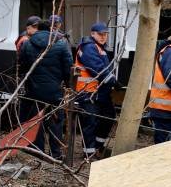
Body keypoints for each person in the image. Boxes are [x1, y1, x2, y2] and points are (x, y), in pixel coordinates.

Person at [18, 18, 74, 158]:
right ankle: (55, 154)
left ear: (37, 29)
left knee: (36, 121)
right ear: (50, 30)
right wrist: (67, 86)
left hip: (33, 90)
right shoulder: (61, 44)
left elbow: (22, 67)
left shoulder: (27, 44)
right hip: (54, 91)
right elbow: (69, 69)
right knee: (56, 122)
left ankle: (39, 151)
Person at [74, 22, 117, 160]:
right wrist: (113, 81)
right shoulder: (89, 47)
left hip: (99, 92)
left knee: (109, 116)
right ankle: (89, 153)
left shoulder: (99, 47)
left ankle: (98, 147)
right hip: (88, 92)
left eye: (105, 34)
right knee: (90, 123)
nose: (103, 37)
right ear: (93, 34)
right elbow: (97, 69)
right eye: (100, 34)